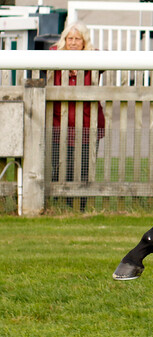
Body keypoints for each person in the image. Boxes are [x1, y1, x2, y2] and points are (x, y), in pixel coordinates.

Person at [49, 22, 106, 211]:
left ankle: (81, 206)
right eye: (69, 39)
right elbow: (50, 49)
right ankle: (59, 206)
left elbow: (103, 55)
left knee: (84, 167)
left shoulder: (93, 60)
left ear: (84, 42)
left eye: (77, 39)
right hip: (59, 123)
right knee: (59, 166)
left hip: (88, 124)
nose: (73, 43)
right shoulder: (55, 58)